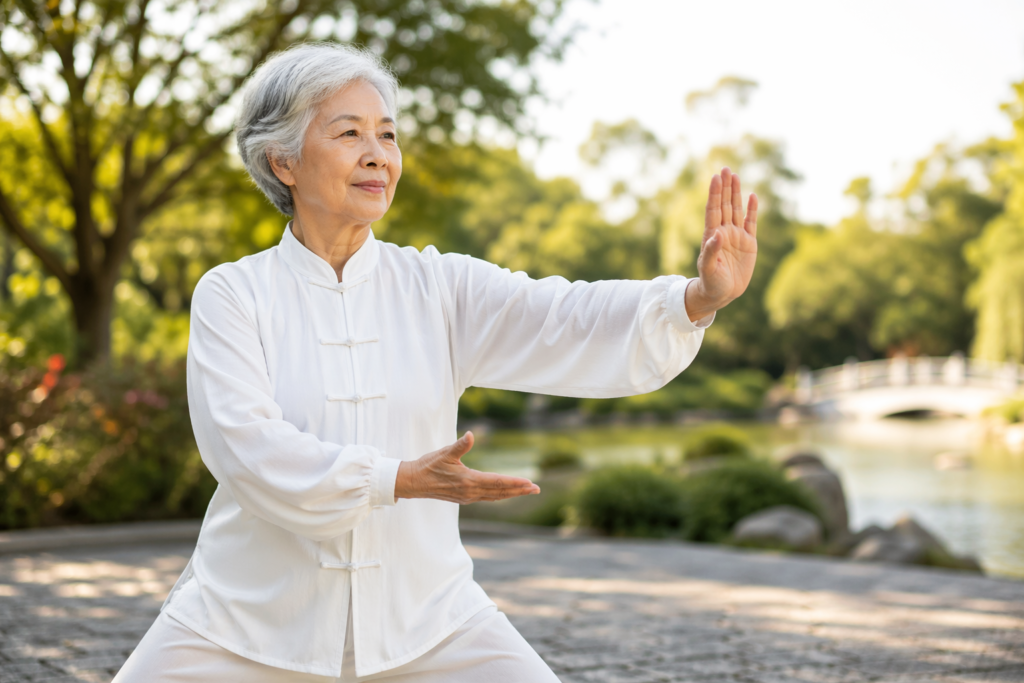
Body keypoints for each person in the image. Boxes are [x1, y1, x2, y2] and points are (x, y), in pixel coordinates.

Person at [112, 43, 758, 682]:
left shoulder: (439, 286)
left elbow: (564, 315)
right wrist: (395, 478)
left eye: (387, 135)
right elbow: (244, 446)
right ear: (283, 160)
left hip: (427, 621)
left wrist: (695, 299)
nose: (377, 154)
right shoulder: (234, 293)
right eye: (349, 133)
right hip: (243, 622)